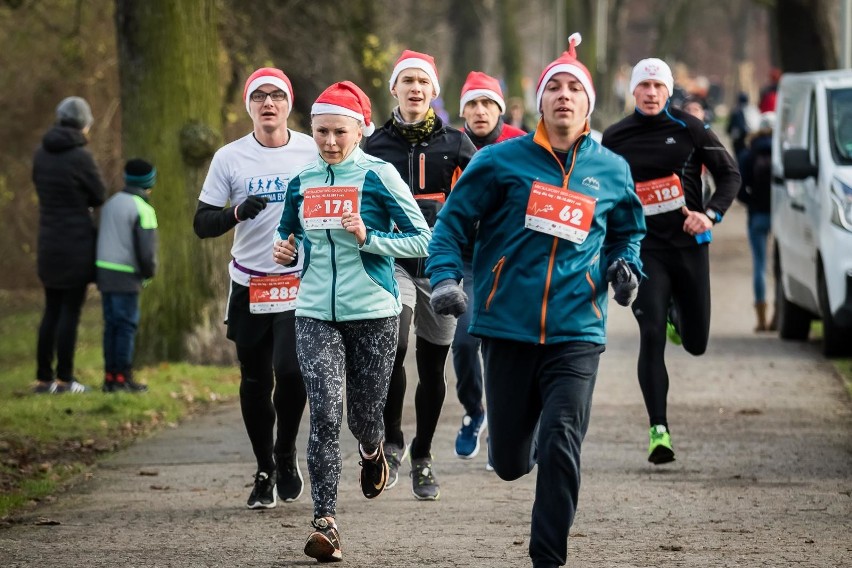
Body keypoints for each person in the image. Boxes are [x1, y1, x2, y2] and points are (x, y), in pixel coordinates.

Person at [426, 33, 646, 568]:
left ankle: (548, 558)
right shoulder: (502, 162)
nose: (565, 96)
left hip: (577, 330)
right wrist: (446, 278)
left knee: (562, 439)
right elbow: (453, 222)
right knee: (507, 461)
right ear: (540, 101)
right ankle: (511, 449)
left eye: (575, 88)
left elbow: (627, 231)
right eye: (556, 88)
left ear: (589, 104)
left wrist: (625, 266)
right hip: (507, 328)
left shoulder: (612, 170)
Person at [272, 81, 431, 562]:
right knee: (324, 410)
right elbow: (288, 235)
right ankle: (326, 522)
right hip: (315, 310)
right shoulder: (301, 181)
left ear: (359, 130)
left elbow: (423, 239)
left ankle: (372, 448)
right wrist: (286, 251)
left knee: (365, 415)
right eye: (321, 132)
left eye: (339, 132)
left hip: (375, 313)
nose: (330, 142)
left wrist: (370, 237)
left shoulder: (379, 176)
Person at [602, 57, 741, 465]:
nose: (650, 93)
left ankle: (676, 315)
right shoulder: (615, 137)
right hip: (644, 250)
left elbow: (730, 175)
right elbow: (599, 187)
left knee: (696, 343)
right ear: (633, 91)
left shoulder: (689, 128)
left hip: (688, 246)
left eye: (657, 87)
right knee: (651, 335)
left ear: (667, 91)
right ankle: (658, 429)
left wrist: (710, 213)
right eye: (643, 86)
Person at [193, 67, 313, 509]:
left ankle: (286, 452)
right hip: (249, 283)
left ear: (287, 104)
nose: (268, 103)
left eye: (276, 95)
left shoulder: (310, 149)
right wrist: (237, 212)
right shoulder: (230, 157)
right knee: (254, 379)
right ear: (249, 106)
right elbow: (202, 223)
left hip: (298, 283)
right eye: (259, 96)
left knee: (292, 370)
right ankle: (264, 468)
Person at [363, 49, 476, 500]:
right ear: (394, 89)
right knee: (396, 344)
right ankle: (393, 440)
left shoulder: (457, 144)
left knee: (433, 366)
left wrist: (454, 221)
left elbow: (477, 202)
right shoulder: (373, 145)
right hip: (393, 263)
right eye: (406, 80)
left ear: (434, 90)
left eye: (422, 81)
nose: (414, 88)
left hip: (442, 267)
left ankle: (423, 454)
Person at [452, 71, 525, 462]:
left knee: (505, 346)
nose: (480, 111)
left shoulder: (521, 144)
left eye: (487, 103)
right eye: (472, 104)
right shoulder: (449, 146)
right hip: (464, 258)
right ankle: (474, 411)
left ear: (500, 108)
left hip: (508, 259)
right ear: (463, 109)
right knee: (464, 342)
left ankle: (504, 422)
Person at [33, 96, 107, 394]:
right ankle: (65, 379)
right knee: (70, 312)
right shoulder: (81, 156)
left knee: (51, 309)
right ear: (84, 124)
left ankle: (42, 379)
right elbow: (99, 194)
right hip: (76, 243)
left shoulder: (41, 153)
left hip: (48, 242)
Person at [95, 159, 159, 392]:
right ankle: (123, 378)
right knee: (125, 327)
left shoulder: (111, 203)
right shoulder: (143, 209)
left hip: (104, 271)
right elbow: (146, 251)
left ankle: (110, 377)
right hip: (126, 274)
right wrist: (148, 273)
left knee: (111, 325)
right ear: (149, 182)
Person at [736, 111, 775, 332]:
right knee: (782, 267)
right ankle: (780, 316)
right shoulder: (783, 150)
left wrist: (752, 203)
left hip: (757, 215)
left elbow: (739, 189)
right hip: (781, 216)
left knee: (759, 265)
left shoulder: (748, 153)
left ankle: (761, 319)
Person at [727, 92, 751, 159]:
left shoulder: (735, 111)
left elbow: (730, 126)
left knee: (738, 156)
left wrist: (729, 131)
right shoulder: (750, 110)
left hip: (737, 138)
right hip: (747, 136)